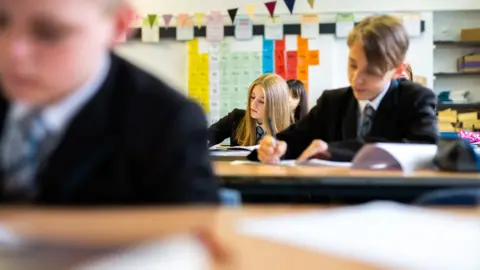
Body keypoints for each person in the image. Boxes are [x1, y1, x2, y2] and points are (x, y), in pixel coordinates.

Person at [0, 0, 219, 204]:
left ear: (119, 26)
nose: (13, 51)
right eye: (1, 23)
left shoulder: (167, 122)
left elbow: (193, 234)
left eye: (50, 33)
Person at [252, 15, 438, 164]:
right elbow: (297, 139)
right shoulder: (332, 102)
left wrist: (335, 150)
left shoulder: (415, 99)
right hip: (337, 202)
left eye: (372, 71)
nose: (357, 78)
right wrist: (275, 147)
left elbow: (424, 146)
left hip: (396, 202)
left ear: (398, 70)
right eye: (353, 65)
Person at [208, 73, 291, 147]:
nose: (253, 104)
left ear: (276, 106)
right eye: (252, 97)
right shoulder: (236, 117)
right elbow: (208, 136)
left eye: (261, 101)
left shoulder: (289, 131)